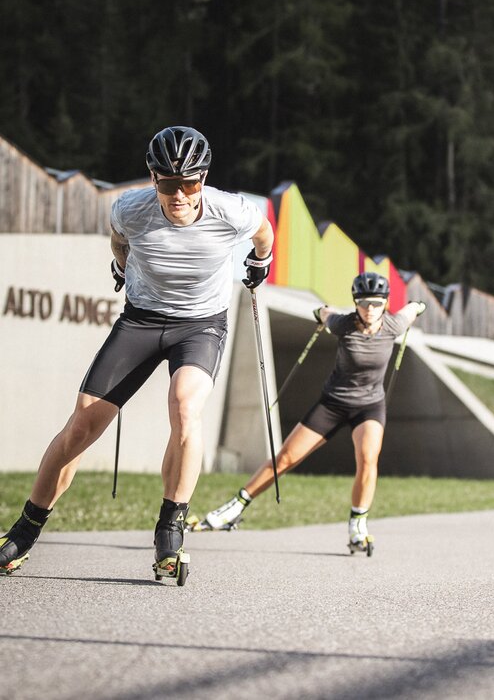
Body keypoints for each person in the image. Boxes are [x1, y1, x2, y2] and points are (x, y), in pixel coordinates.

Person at [0, 126, 274, 582]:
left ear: (203, 179)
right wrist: (122, 268)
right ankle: (24, 533)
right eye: (168, 183)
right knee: (82, 423)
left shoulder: (233, 211)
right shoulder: (130, 209)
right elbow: (119, 240)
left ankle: (171, 529)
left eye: (189, 183)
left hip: (201, 325)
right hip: (141, 321)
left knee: (186, 408)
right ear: (153, 178)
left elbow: (263, 234)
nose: (179, 194)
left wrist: (259, 263)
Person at [192, 272, 426, 554]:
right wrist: (318, 312)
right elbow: (326, 313)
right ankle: (233, 509)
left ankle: (357, 526)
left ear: (385, 303)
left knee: (368, 458)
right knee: (286, 458)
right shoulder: (344, 324)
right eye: (364, 303)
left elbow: (411, 309)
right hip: (333, 403)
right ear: (355, 303)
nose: (370, 309)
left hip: (369, 406)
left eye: (377, 303)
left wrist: (417, 305)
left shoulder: (393, 324)